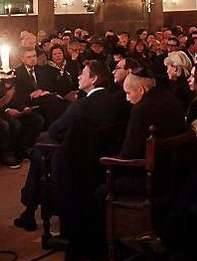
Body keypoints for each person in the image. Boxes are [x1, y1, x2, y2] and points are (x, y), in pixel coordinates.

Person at [13, 60, 128, 232]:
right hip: (105, 156)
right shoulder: (115, 101)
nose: (79, 76)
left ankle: (29, 208)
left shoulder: (83, 105)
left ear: (94, 79)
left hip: (81, 162)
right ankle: (29, 209)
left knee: (39, 152)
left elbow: (55, 129)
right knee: (41, 150)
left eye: (84, 73)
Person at [120, 70, 190, 159]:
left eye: (128, 93)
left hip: (153, 165)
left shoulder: (141, 108)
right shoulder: (170, 97)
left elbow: (131, 150)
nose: (127, 98)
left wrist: (119, 159)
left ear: (141, 90)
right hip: (177, 160)